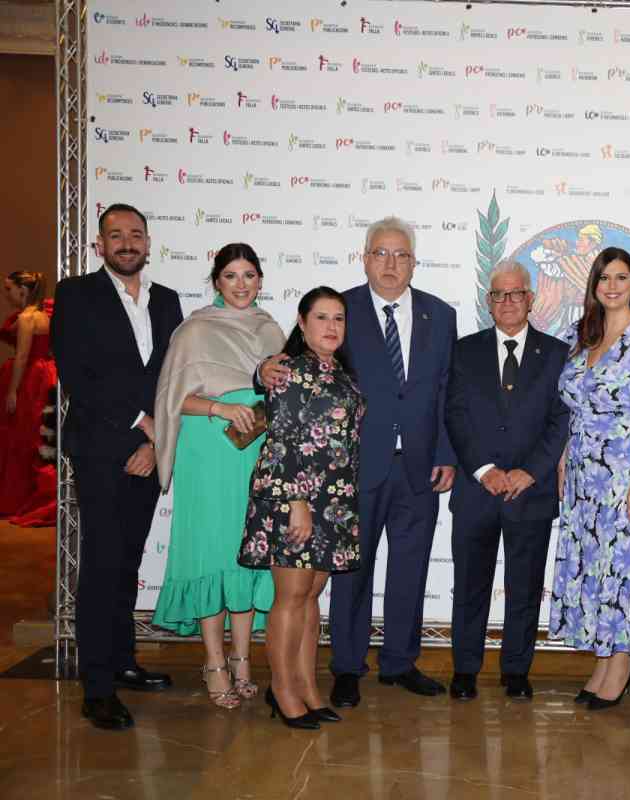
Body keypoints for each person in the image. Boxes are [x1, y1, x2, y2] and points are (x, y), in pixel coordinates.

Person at [263, 217, 457, 706]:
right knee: (351, 570)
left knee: (411, 568)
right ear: (365, 258)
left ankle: (400, 661)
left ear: (414, 262)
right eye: (381, 253)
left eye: (401, 255)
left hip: (420, 466)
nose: (391, 264)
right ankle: (347, 666)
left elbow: (445, 391)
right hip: (351, 469)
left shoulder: (440, 314)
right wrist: (259, 370)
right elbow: (294, 362)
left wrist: (445, 454)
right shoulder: (341, 309)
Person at [51, 203, 183, 730]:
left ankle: (124, 660)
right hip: (101, 450)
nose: (127, 243)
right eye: (116, 235)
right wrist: (141, 423)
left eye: (135, 234)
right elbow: (77, 374)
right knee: (102, 565)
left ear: (148, 243)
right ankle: (97, 686)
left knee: (128, 562)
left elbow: (173, 376)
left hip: (150, 450)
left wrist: (157, 439)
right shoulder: (75, 295)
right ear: (99, 245)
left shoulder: (167, 300)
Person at [150, 244, 285, 709]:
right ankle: (213, 663)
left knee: (247, 555)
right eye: (231, 275)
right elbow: (171, 399)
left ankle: (242, 660)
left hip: (254, 453)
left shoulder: (271, 331)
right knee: (212, 554)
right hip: (207, 453)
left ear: (260, 280)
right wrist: (220, 408)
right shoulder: (195, 330)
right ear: (216, 282)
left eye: (249, 275)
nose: (241, 284)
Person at [549, 246, 630, 710]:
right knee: (593, 566)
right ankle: (602, 659)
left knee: (621, 568)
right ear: (594, 285)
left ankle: (621, 662)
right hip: (583, 473)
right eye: (604, 278)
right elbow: (574, 406)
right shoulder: (580, 334)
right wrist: (565, 457)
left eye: (622, 277)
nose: (613, 286)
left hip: (624, 471)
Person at [239, 286, 364, 729]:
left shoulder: (341, 373)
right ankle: (283, 690)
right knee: (291, 598)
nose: (332, 326)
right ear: (302, 322)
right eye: (322, 317)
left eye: (339, 318)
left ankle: (308, 687)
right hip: (295, 499)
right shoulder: (290, 371)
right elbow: (283, 440)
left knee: (311, 597)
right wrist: (297, 503)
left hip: (333, 501)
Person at [445, 259, 570, 700]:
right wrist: (484, 470)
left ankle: (516, 670)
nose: (508, 301)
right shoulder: (464, 351)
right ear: (489, 301)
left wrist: (530, 471)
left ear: (530, 299)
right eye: (499, 294)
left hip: (530, 493)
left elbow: (560, 420)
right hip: (476, 490)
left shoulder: (557, 354)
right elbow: (455, 414)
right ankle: (465, 669)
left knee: (525, 587)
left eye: (517, 293)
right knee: (470, 586)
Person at [0, 271, 56, 518]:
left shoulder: (27, 318)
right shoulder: (46, 316)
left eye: (9, 289)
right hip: (47, 376)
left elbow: (22, 356)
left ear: (22, 290)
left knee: (21, 437)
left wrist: (12, 391)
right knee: (37, 437)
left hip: (30, 379)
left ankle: (19, 497)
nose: (7, 294)